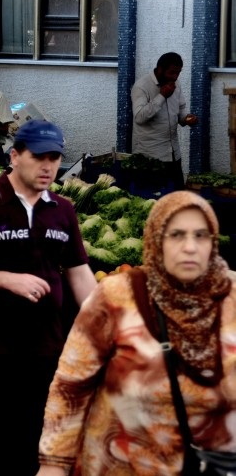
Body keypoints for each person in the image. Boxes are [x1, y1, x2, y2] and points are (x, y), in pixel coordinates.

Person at [38, 192, 236, 476]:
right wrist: (53, 465)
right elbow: (71, 385)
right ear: (156, 238)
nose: (190, 247)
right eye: (176, 235)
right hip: (121, 465)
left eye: (201, 235)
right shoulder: (116, 296)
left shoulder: (231, 299)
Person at [0, 119, 97, 476]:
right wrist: (6, 280)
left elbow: (78, 272)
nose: (48, 166)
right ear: (15, 156)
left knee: (41, 445)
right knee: (0, 447)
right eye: (39, 157)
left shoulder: (63, 210)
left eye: (55, 158)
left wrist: (109, 317)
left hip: (46, 349)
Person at [131, 51, 198, 193]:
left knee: (178, 198)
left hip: (174, 154)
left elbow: (180, 113)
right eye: (172, 72)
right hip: (150, 158)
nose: (175, 77)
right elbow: (139, 117)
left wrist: (187, 119)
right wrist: (161, 95)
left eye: (178, 73)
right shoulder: (141, 86)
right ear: (160, 69)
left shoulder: (176, 84)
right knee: (154, 201)